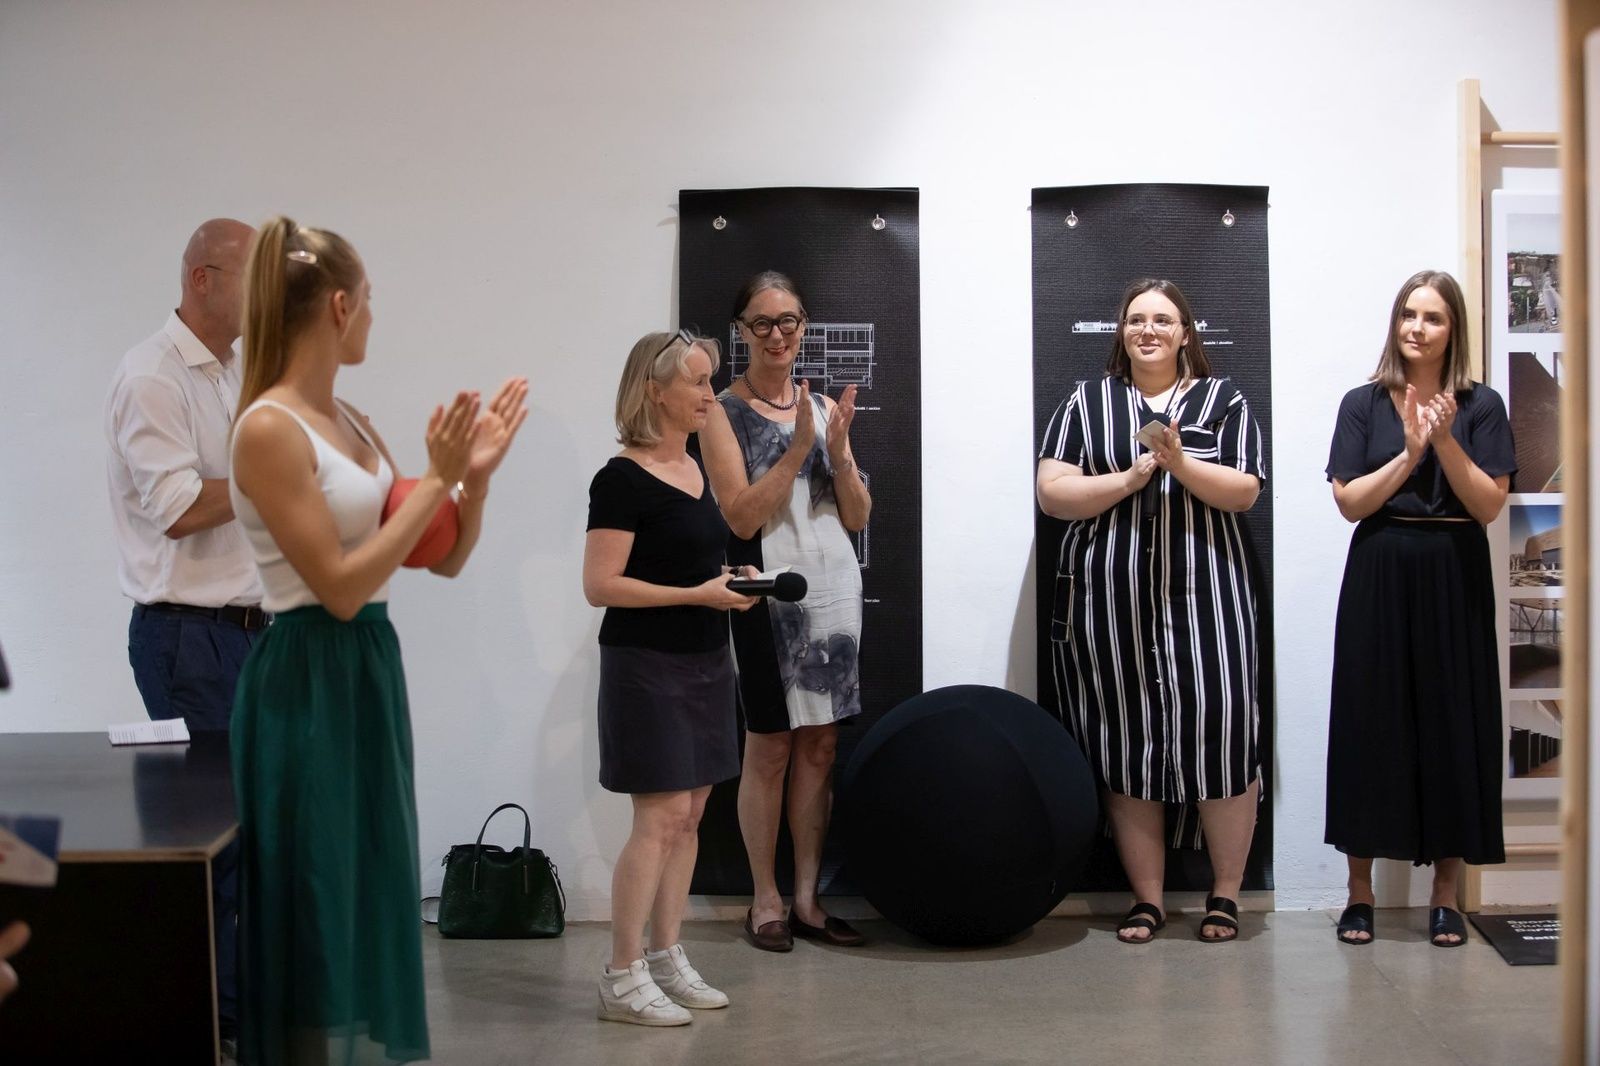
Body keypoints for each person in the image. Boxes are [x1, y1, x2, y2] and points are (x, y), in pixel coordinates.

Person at [228, 216, 527, 1062]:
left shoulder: (351, 421)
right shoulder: (267, 428)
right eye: (368, 302)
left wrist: (472, 484)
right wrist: (437, 481)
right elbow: (340, 586)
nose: (371, 318)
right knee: (313, 898)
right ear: (338, 305)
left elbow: (443, 559)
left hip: (365, 666)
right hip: (305, 674)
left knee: (365, 883)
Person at [1036, 277, 1265, 945]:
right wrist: (1132, 477)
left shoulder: (1224, 399)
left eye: (1163, 320)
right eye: (1137, 319)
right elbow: (1053, 492)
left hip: (1211, 602)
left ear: (1185, 333)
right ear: (1122, 332)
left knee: (1223, 739)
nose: (1149, 330)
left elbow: (1245, 490)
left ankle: (1226, 896)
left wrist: (1178, 463)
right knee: (1126, 742)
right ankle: (1148, 901)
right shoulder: (1087, 402)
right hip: (1111, 607)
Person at [103, 216, 260, 1045]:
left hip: (247, 632)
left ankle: (240, 1006)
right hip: (187, 638)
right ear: (202, 278)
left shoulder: (232, 370)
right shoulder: (153, 377)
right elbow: (178, 510)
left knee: (254, 826)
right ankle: (214, 1020)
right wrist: (273, 474)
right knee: (214, 837)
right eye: (251, 275)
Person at [1325, 269, 1513, 948]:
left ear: (1453, 328)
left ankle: (1444, 897)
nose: (1418, 328)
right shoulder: (1363, 402)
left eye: (1433, 317)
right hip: (1380, 565)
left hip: (1454, 568)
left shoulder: (1481, 405)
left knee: (1452, 722)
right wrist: (1409, 453)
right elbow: (1351, 503)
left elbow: (1488, 505)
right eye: (1409, 314)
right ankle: (1360, 893)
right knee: (1368, 721)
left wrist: (1444, 440)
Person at [583, 330, 756, 1025]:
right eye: (697, 382)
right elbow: (601, 585)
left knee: (689, 817)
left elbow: (687, 562)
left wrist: (731, 580)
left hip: (707, 660)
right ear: (654, 391)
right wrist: (695, 594)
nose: (709, 395)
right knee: (658, 820)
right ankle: (621, 975)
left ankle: (664, 955)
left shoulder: (694, 469)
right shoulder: (620, 479)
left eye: (710, 381)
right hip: (647, 666)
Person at [699, 271, 871, 952]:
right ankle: (764, 899)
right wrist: (799, 447)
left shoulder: (822, 406)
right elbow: (740, 516)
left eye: (789, 321)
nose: (778, 335)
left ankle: (806, 899)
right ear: (741, 331)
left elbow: (856, 516)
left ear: (804, 326)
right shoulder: (721, 412)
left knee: (821, 745)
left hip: (835, 589)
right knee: (769, 745)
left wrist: (842, 452)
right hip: (767, 593)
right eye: (763, 323)